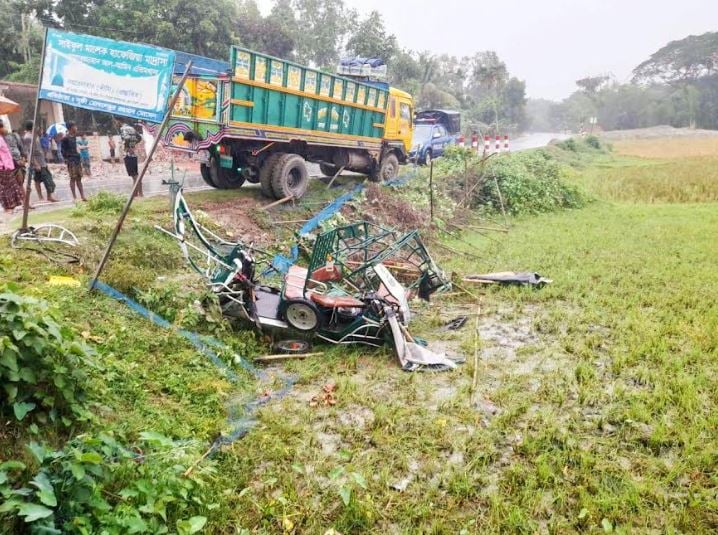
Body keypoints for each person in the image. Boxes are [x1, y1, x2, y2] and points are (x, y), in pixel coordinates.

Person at [23, 121, 58, 203]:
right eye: (36, 126)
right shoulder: (28, 137)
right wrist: (36, 164)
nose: (38, 128)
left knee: (39, 179)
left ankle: (47, 196)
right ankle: (44, 196)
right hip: (37, 163)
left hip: (42, 161)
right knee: (45, 180)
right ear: (32, 127)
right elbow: (29, 153)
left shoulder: (35, 136)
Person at [0, 119, 25, 213]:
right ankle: (7, 207)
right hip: (3, 168)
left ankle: (11, 206)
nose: (4, 128)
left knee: (11, 186)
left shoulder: (3, 138)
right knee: (5, 188)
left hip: (9, 166)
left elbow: (7, 153)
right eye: (2, 127)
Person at [60, 121, 86, 202]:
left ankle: (82, 196)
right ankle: (74, 197)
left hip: (77, 159)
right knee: (73, 178)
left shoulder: (74, 137)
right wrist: (66, 159)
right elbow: (62, 150)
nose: (76, 128)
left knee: (79, 178)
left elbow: (76, 149)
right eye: (75, 126)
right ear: (71, 128)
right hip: (71, 160)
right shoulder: (65, 138)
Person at [117, 118, 143, 197]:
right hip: (133, 154)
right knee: (135, 175)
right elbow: (139, 138)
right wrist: (133, 145)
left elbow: (126, 138)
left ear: (118, 120)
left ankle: (140, 194)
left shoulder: (123, 129)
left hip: (128, 154)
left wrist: (128, 147)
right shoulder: (131, 128)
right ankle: (135, 194)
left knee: (135, 176)